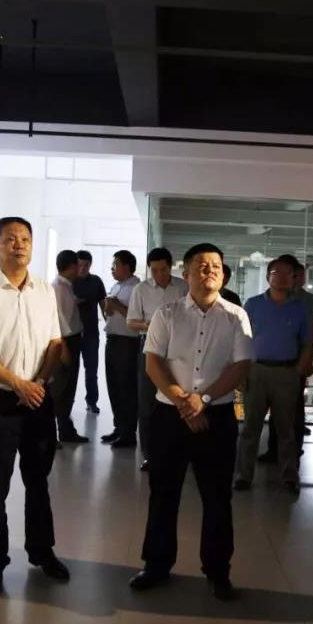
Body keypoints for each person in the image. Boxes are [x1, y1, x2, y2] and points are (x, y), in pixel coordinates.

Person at [129, 243, 254, 601]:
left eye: (216, 265)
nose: (209, 270)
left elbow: (241, 366)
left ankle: (218, 571)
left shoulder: (236, 316)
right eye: (201, 265)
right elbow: (153, 363)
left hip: (217, 416)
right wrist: (183, 401)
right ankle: (156, 565)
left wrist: (204, 400)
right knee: (163, 494)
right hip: (169, 415)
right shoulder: (166, 314)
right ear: (186, 274)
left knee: (217, 497)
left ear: (223, 274)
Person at [0, 216, 70, 596]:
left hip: (38, 398)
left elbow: (55, 344)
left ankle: (42, 551)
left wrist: (37, 383)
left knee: (38, 481)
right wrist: (16, 383)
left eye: (25, 239)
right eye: (10, 239)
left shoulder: (44, 291)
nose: (18, 245)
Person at [234, 257, 313, 495]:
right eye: (278, 272)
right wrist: (241, 372)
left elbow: (307, 340)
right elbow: (241, 339)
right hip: (256, 370)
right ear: (268, 276)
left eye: (289, 273)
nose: (283, 277)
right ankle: (243, 475)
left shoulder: (300, 307)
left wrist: (301, 367)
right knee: (250, 427)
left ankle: (289, 476)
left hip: (287, 373)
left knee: (286, 429)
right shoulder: (253, 304)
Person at [127, 247, 188, 470]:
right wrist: (151, 325)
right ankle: (149, 454)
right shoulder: (141, 289)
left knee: (178, 397)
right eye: (154, 270)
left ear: (170, 267)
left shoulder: (183, 287)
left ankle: (178, 451)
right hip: (150, 347)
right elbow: (131, 322)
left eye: (163, 269)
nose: (159, 274)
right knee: (147, 402)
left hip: (180, 348)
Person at [261, 254, 313, 464]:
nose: (292, 278)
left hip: (296, 361)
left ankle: (294, 451)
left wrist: (312, 354)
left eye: (292, 274)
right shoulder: (267, 301)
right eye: (283, 273)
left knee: (294, 408)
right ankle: (274, 449)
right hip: (272, 362)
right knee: (275, 408)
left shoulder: (306, 300)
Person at [102, 250, 141, 448]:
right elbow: (110, 314)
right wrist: (107, 308)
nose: (112, 268)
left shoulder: (137, 288)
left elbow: (136, 318)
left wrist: (116, 305)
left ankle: (128, 433)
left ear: (127, 267)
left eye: (116, 264)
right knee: (114, 387)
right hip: (112, 340)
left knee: (126, 388)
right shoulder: (116, 286)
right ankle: (118, 428)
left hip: (128, 343)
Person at [51, 250, 88, 444]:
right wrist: (64, 349)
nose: (80, 269)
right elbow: (57, 321)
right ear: (72, 266)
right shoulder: (58, 288)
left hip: (72, 340)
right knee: (60, 389)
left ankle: (66, 430)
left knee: (68, 390)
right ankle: (51, 434)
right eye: (78, 265)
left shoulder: (66, 286)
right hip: (65, 342)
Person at [73, 251, 106, 415]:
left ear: (90, 265)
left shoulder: (96, 281)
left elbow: (103, 305)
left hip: (91, 333)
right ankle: (66, 405)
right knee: (70, 371)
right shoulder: (69, 281)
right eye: (80, 265)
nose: (83, 268)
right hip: (71, 333)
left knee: (91, 370)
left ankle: (92, 402)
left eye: (86, 265)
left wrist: (109, 324)